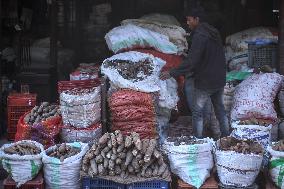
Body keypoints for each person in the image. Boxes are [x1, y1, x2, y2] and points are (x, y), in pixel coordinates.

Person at [160, 7, 229, 138]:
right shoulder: (213, 32)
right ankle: (227, 137)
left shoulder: (200, 35)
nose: (187, 23)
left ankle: (198, 141)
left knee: (197, 113)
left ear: (197, 19)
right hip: (219, 79)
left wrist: (172, 72)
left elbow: (192, 61)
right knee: (220, 110)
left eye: (189, 20)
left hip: (206, 81)